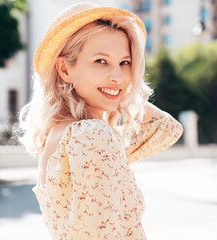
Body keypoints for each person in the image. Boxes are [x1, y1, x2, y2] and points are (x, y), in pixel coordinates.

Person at [19, 2, 183, 239]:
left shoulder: (66, 135)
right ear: (64, 69)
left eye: (125, 63)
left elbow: (168, 130)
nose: (117, 76)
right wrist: (120, 90)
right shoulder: (91, 136)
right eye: (101, 61)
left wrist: (124, 88)